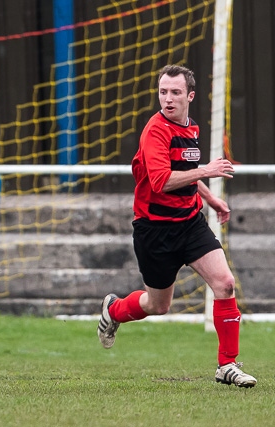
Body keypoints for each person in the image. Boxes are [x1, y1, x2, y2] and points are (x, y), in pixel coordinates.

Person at [97, 64, 256, 388]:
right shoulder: (155, 131)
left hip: (190, 224)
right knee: (158, 305)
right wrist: (206, 171)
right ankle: (114, 311)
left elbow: (185, 167)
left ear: (190, 96)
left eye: (175, 92)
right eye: (163, 92)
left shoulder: (191, 128)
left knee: (225, 284)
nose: (168, 99)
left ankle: (227, 365)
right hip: (154, 229)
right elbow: (160, 181)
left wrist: (210, 199)